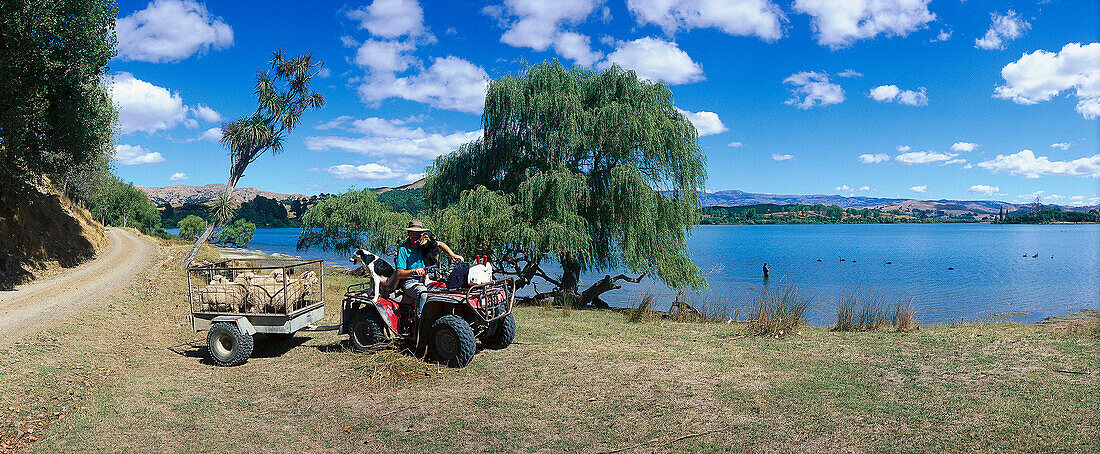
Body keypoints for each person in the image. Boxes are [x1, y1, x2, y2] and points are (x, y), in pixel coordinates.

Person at [394, 221, 462, 322]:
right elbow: (399, 274)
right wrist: (414, 271)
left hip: (424, 280)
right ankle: (420, 319)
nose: (414, 235)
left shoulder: (423, 245)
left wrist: (453, 255)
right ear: (408, 234)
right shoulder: (403, 250)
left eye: (417, 233)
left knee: (445, 288)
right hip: (410, 283)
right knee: (423, 293)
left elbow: (440, 244)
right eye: (412, 233)